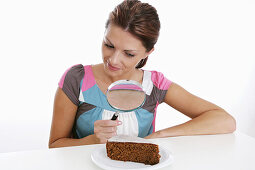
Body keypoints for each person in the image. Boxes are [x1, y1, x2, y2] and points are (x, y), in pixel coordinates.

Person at [49, 0, 236, 148]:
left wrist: (158, 136)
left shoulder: (154, 84)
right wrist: (91, 140)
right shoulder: (77, 79)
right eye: (108, 45)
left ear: (148, 53)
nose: (113, 60)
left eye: (129, 54)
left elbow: (225, 120)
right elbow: (55, 145)